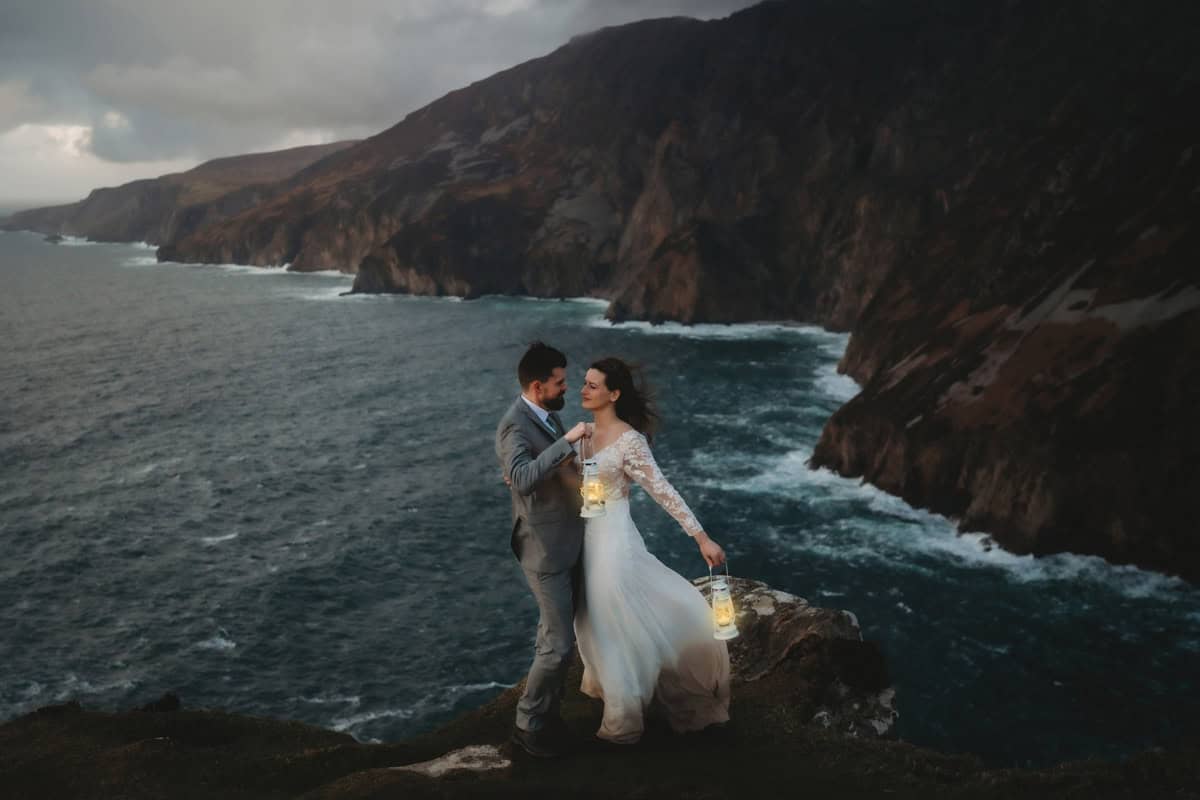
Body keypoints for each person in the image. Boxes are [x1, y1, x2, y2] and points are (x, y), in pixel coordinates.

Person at [573, 356, 731, 744]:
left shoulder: (630, 441)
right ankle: (608, 683)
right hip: (583, 539)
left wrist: (702, 538)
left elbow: (664, 492)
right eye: (584, 383)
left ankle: (623, 719)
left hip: (614, 538)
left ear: (614, 393)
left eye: (593, 385)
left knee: (612, 615)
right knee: (588, 615)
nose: (584, 389)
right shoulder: (582, 434)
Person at [495, 341, 590, 758]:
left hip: (565, 542)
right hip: (545, 552)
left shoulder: (544, 414)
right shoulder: (515, 426)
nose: (565, 387)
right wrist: (568, 441)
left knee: (552, 638)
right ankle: (528, 726)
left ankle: (548, 720)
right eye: (559, 382)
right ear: (537, 386)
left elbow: (539, 472)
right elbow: (520, 477)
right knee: (559, 645)